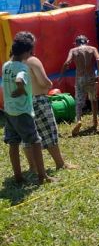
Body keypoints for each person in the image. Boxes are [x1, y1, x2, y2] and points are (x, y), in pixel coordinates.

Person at [20, 32, 76, 170]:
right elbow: (44, 81)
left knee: (27, 137)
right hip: (38, 100)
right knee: (49, 132)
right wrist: (49, 84)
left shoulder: (13, 62)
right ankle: (60, 163)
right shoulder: (32, 60)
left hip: (23, 103)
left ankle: (32, 166)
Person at [2, 33, 53, 184]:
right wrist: (20, 89)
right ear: (26, 52)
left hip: (9, 110)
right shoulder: (22, 67)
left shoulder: (6, 65)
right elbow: (20, 78)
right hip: (23, 111)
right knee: (36, 141)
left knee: (13, 143)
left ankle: (18, 176)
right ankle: (42, 175)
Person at [61, 35, 99, 136]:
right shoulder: (92, 49)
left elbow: (67, 62)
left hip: (80, 78)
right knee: (93, 99)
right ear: (87, 41)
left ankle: (79, 120)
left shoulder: (73, 50)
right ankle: (95, 121)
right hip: (91, 77)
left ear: (76, 43)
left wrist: (61, 74)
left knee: (78, 101)